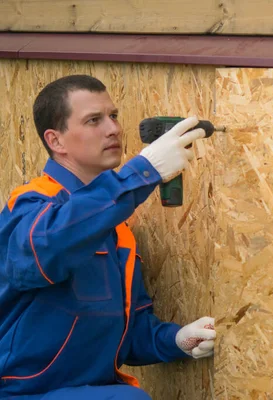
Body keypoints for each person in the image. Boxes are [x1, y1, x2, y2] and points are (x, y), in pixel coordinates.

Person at [0, 75, 216, 399]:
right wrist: (143, 172)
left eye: (113, 116)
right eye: (93, 120)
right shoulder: (30, 208)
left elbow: (129, 335)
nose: (113, 128)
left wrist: (176, 339)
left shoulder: (118, 232)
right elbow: (47, 247)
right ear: (56, 141)